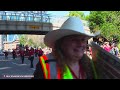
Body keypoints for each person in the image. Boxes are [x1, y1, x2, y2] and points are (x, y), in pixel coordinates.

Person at [33, 17, 100, 79]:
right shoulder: (46, 64)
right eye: (74, 39)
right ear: (61, 43)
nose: (81, 44)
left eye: (83, 40)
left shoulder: (90, 65)